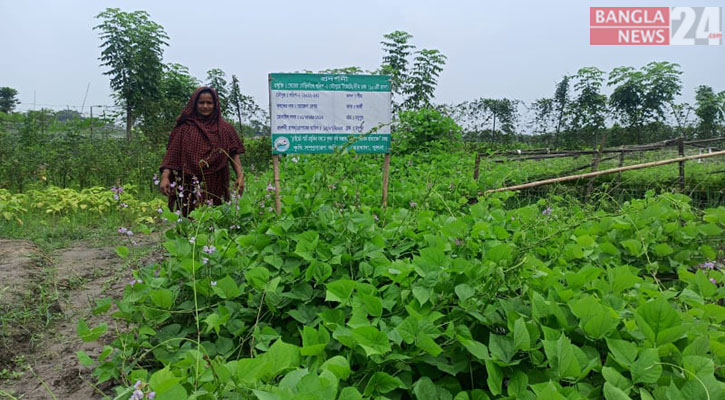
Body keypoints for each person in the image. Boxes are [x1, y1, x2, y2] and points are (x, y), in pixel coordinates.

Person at [159, 87, 245, 216]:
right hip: (189, 182)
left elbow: (233, 153)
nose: (205, 106)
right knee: (189, 217)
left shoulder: (225, 129)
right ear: (195, 104)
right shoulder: (184, 128)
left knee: (215, 216)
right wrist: (165, 177)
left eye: (209, 103)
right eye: (201, 103)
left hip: (216, 181)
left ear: (215, 105)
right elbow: (172, 154)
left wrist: (240, 176)